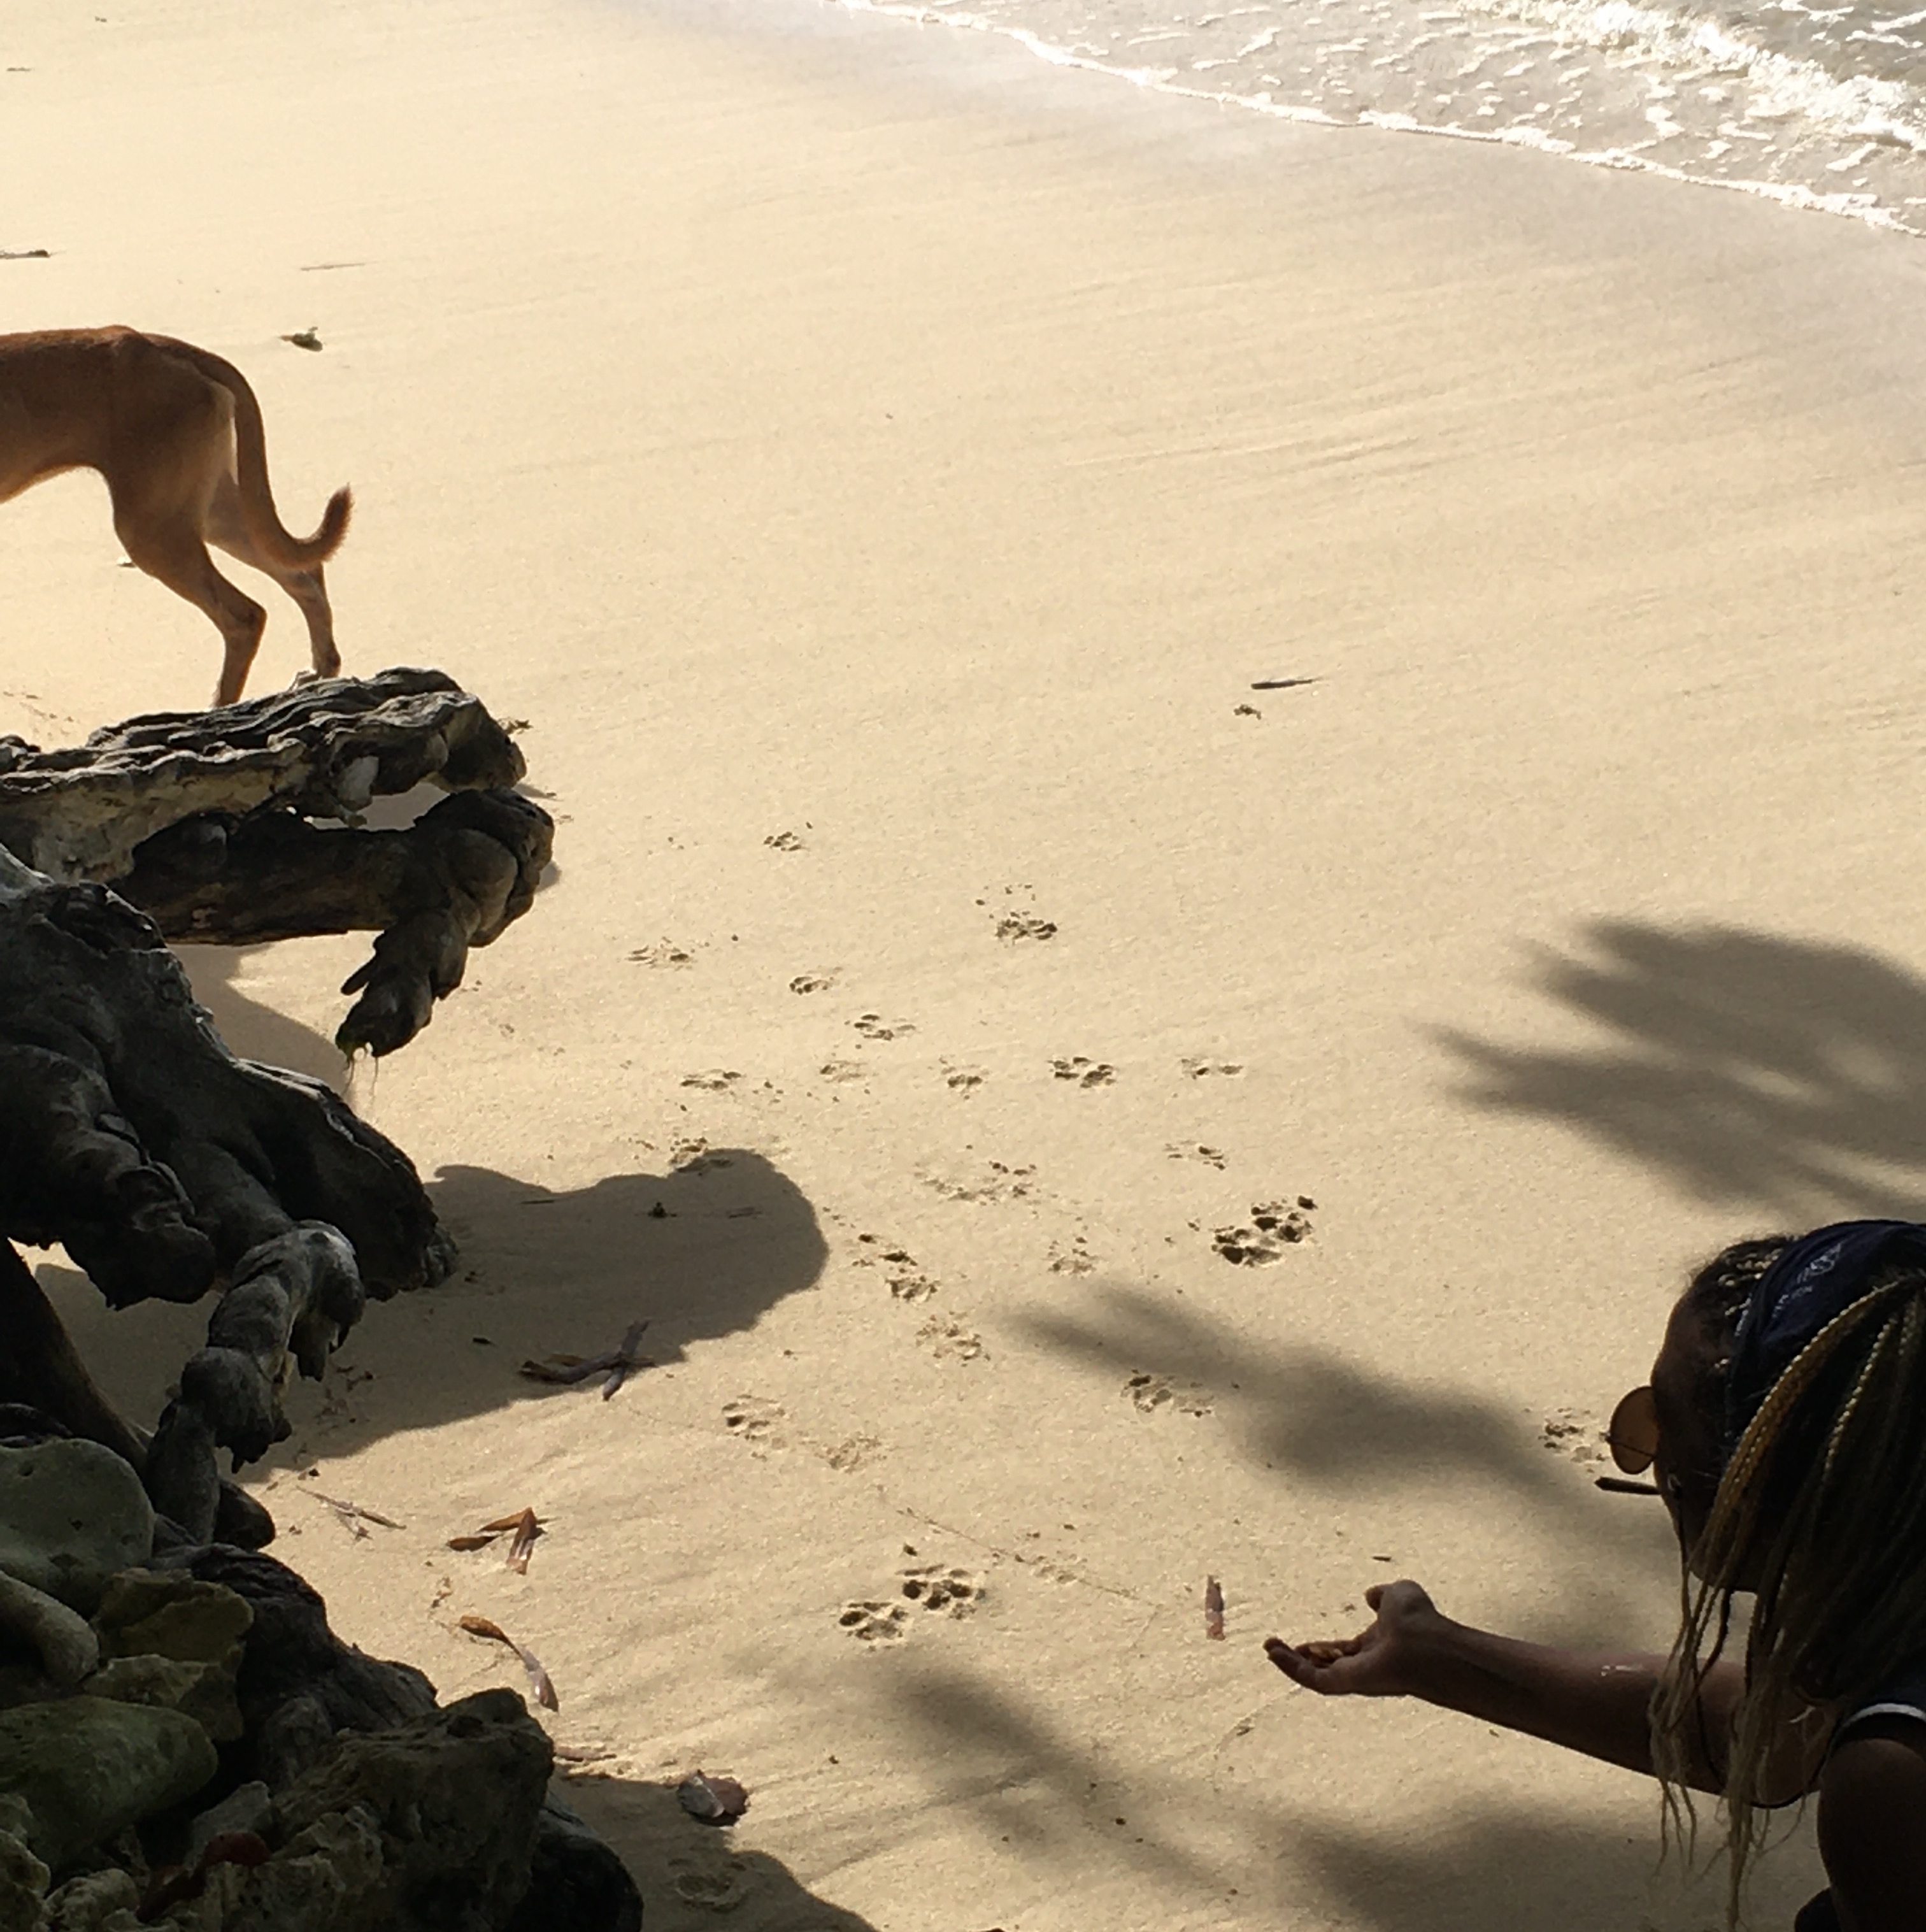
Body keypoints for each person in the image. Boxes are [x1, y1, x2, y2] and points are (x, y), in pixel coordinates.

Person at [1264, 1220, 1926, 1931]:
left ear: (1762, 1481)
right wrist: (1434, 1654)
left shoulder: (1890, 1789)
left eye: (1660, 1420)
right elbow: (1772, 1729)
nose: (1645, 1457)